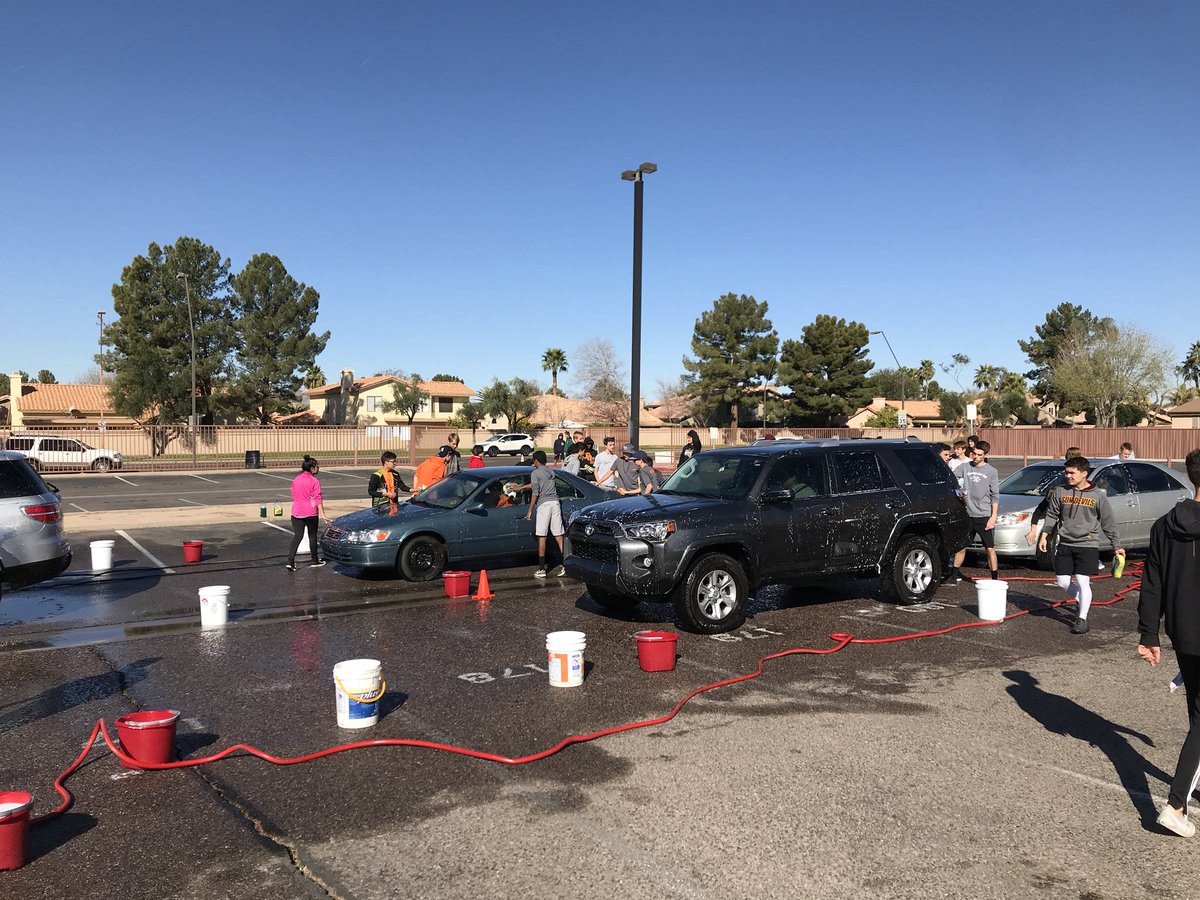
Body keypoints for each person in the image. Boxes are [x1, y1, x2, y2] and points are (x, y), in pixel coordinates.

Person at [1137, 448, 1200, 838]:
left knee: (1198, 712)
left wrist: (1150, 633)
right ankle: (1176, 804)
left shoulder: (1165, 524)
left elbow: (1152, 581)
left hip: (1183, 631)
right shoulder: (1165, 525)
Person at [1037, 455, 1125, 635]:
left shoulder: (1098, 496)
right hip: (1065, 542)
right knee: (1062, 582)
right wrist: (1044, 535)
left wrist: (1117, 546)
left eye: (1072, 473)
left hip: (1088, 544)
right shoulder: (1061, 491)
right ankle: (1081, 599)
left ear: (1084, 474)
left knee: (1083, 581)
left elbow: (1108, 522)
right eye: (1066, 472)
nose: (1067, 476)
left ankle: (1082, 619)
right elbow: (1052, 514)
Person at [949, 439, 1000, 583]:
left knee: (989, 548)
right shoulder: (965, 467)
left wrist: (993, 516)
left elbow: (995, 495)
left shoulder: (991, 471)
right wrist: (958, 491)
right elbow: (952, 478)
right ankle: (954, 575)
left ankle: (994, 578)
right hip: (967, 514)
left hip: (983, 515)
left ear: (985, 455)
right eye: (974, 454)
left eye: (979, 455)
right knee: (961, 545)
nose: (976, 457)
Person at [512, 451, 566, 577]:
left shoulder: (535, 473)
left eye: (533, 461)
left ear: (536, 461)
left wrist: (530, 509)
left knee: (542, 536)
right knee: (558, 534)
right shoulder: (550, 472)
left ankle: (542, 569)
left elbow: (535, 491)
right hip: (555, 503)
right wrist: (520, 488)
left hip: (544, 505)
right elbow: (536, 484)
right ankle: (565, 565)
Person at [1025, 446, 1084, 546]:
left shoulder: (1060, 482)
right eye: (1067, 473)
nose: (1069, 476)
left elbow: (1040, 511)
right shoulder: (1059, 487)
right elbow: (1042, 510)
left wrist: (1033, 531)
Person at [287, 455, 328, 571]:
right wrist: (323, 514)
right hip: (310, 512)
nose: (318, 468)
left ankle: (290, 561)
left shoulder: (296, 479)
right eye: (316, 466)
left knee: (298, 536)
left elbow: (294, 493)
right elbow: (317, 498)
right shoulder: (314, 481)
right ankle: (314, 559)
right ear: (312, 468)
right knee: (312, 536)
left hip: (296, 512)